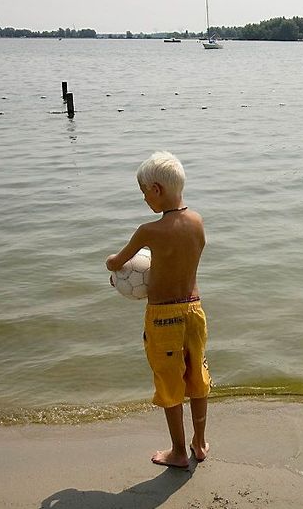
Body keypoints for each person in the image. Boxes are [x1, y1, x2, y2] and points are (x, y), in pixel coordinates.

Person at [106, 151, 211, 468]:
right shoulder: (196, 221)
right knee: (197, 377)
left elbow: (117, 262)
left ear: (156, 189)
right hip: (194, 311)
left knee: (170, 382)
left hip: (163, 317)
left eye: (143, 194)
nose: (144, 201)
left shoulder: (148, 231)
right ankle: (200, 442)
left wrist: (114, 270)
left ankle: (178, 451)